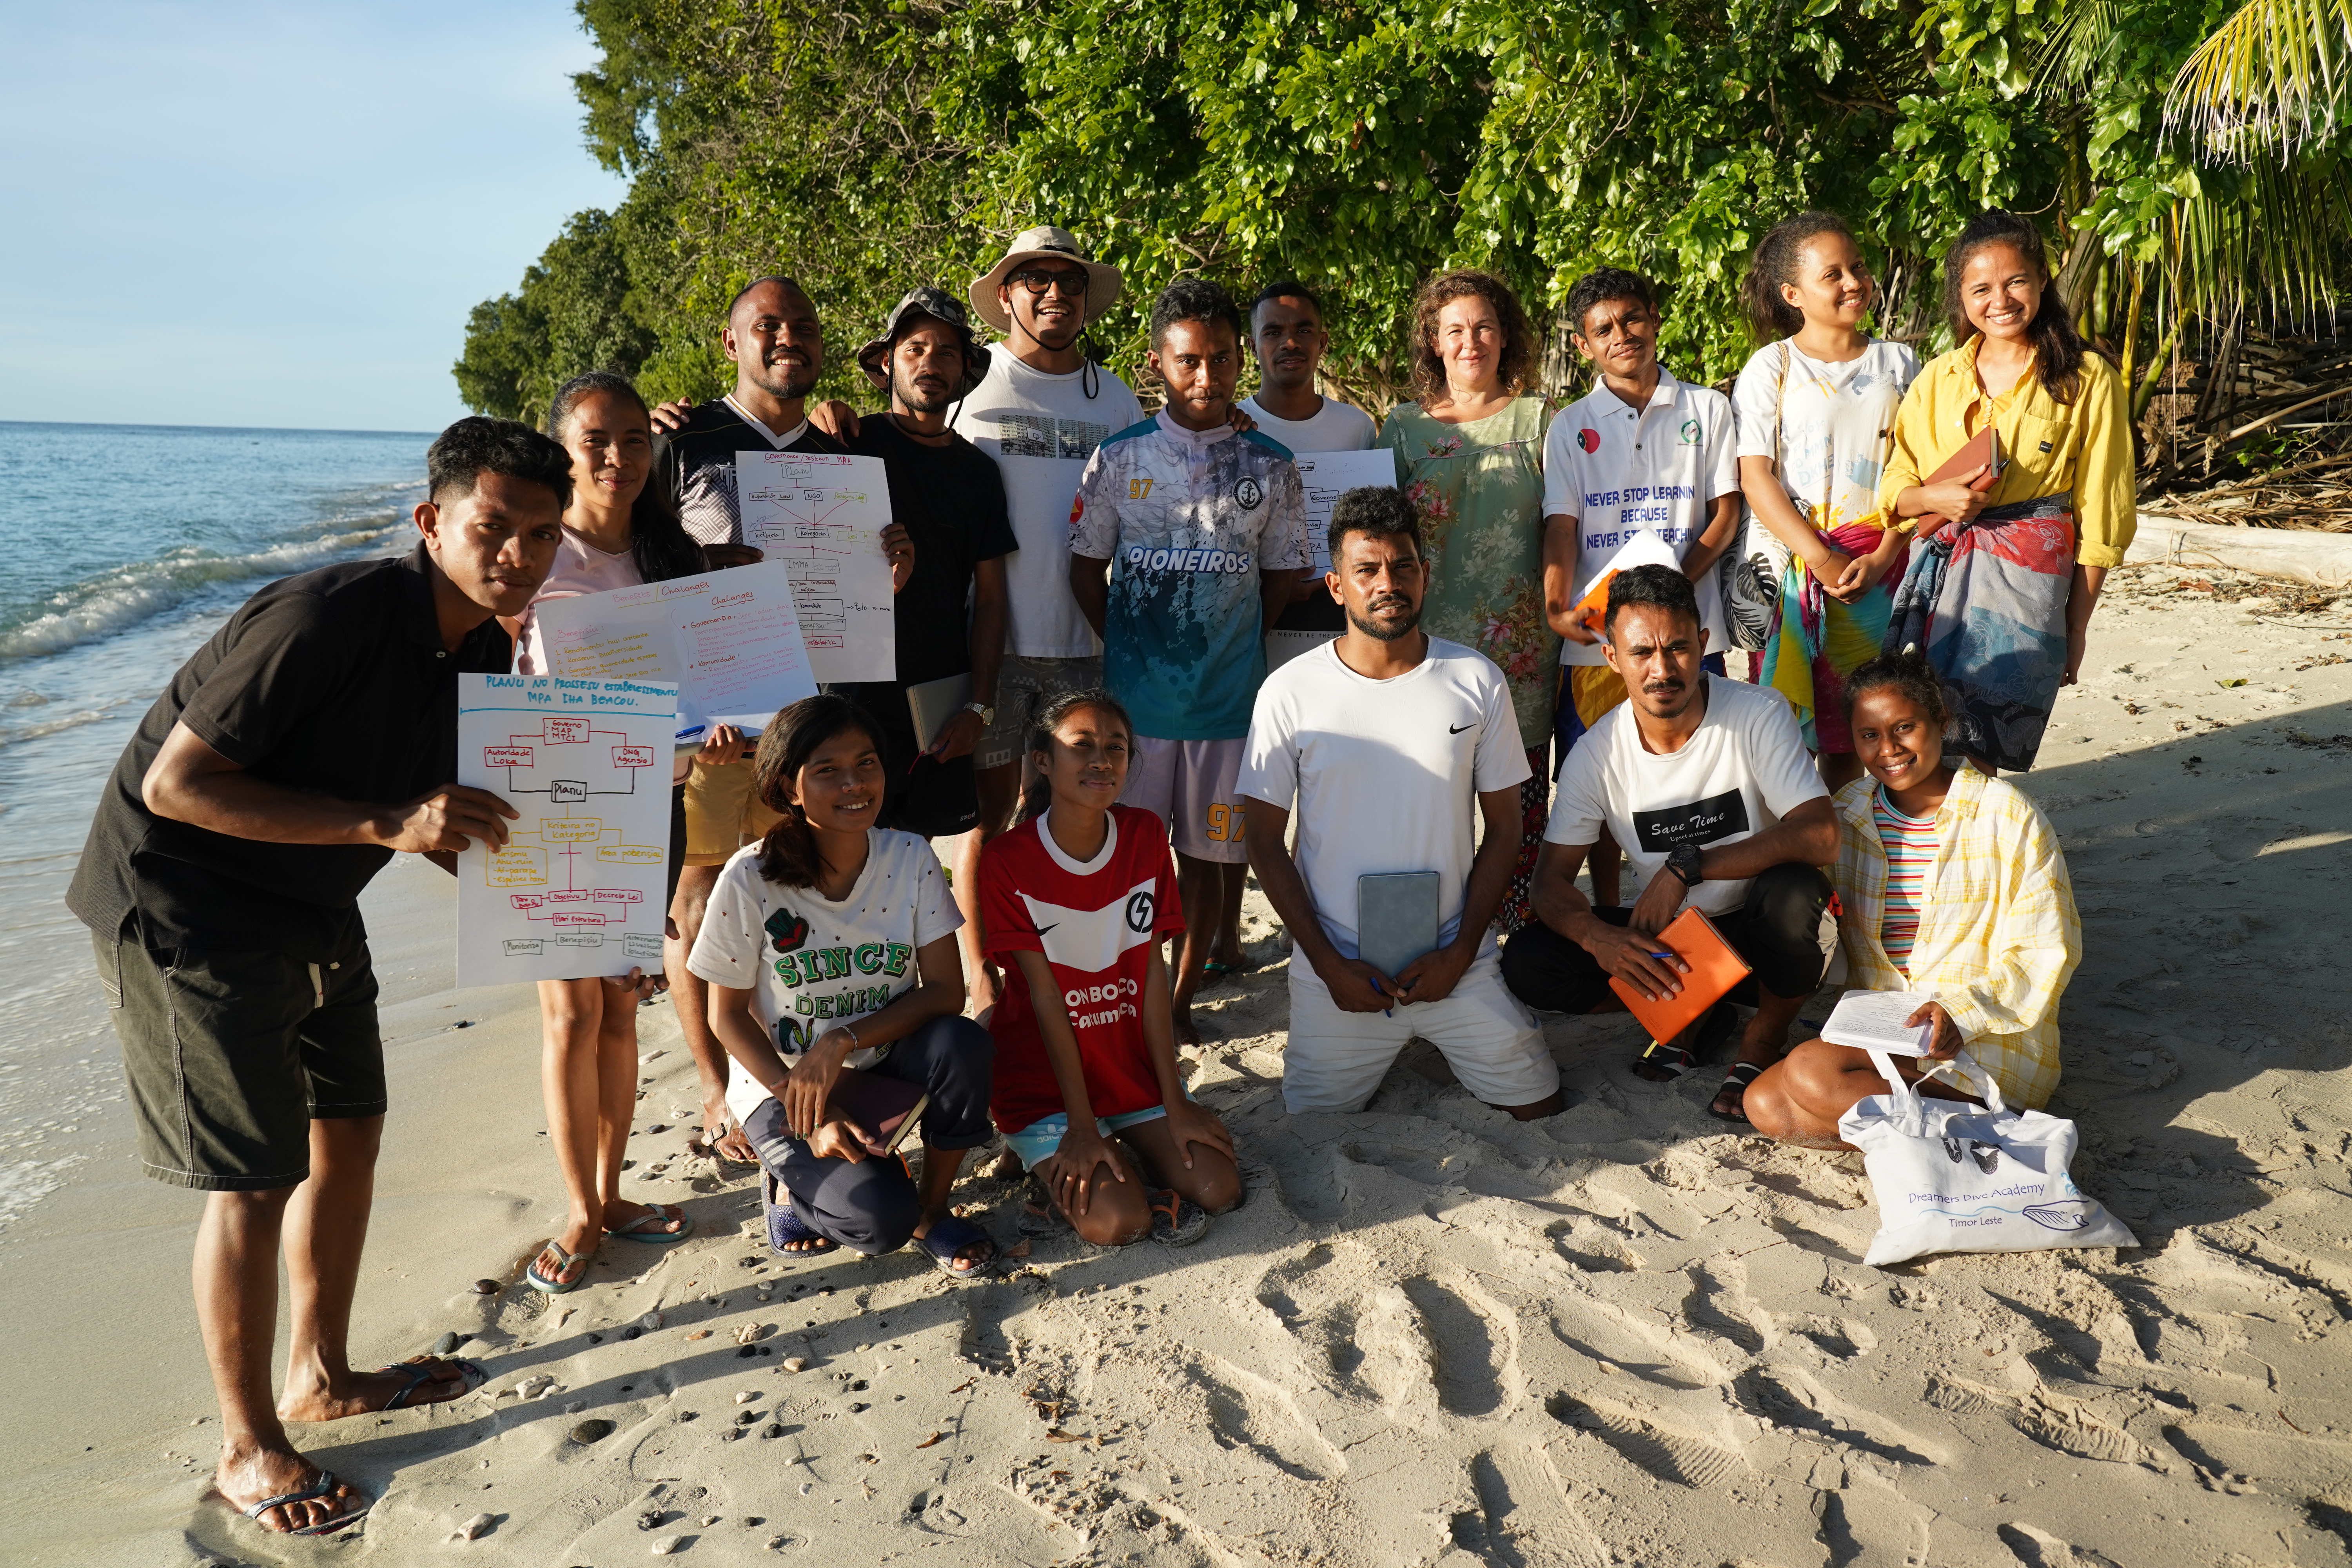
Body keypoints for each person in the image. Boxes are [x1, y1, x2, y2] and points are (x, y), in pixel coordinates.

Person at [63, 417, 570, 1536]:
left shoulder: (483, 644)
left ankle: (322, 1375)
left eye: (542, 536)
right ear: (431, 521)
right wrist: (386, 821)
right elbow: (180, 787)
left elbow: (450, 824)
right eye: (495, 528)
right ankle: (247, 1447)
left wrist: (573, 923)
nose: (519, 556)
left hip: (313, 899)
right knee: (252, 1178)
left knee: (351, 1131)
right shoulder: (324, 618)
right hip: (185, 907)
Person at [650, 275, 914, 1145]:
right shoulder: (682, 443)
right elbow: (638, 566)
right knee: (699, 900)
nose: (787, 338)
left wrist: (892, 564)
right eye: (768, 326)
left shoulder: (847, 451)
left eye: (803, 325)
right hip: (718, 715)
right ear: (732, 343)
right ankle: (718, 1086)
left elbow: (870, 569)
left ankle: (794, 1068)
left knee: (793, 888)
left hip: (815, 711)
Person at [507, 372, 740, 1292]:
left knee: (615, 1011)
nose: (617, 456)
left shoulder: (666, 552)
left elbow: (701, 686)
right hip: (556, 804)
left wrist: (717, 733)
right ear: (561, 448)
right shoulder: (531, 555)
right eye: (597, 439)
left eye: (634, 439)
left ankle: (611, 1193)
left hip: (651, 802)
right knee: (570, 1015)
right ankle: (578, 1208)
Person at [1240, 487, 1561, 1118]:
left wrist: (1463, 952)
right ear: (1337, 586)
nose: (1388, 583)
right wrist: (1329, 965)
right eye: (1367, 570)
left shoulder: (1475, 679)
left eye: (1404, 566)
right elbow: (1261, 842)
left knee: (1539, 1107)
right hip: (1337, 975)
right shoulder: (1290, 692)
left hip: (1455, 962)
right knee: (1312, 1125)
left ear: (1425, 574)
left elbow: (1506, 829)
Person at [1499, 565, 1838, 1123]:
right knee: (1531, 962)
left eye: (1678, 649)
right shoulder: (1597, 752)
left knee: (1795, 890)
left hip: (1763, 940)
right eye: (1642, 653)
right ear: (1612, 658)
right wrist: (1598, 938)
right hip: (1676, 949)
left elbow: (1821, 833)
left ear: (1703, 645)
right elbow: (1550, 883)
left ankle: (1762, 1038)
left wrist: (1688, 865)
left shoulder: (1757, 712)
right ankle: (1692, 1014)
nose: (1662, 670)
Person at [1067, 277, 1311, 1046]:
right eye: (1187, 362)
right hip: (1137, 712)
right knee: (1136, 865)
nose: (1205, 378)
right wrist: (1132, 648)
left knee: (1206, 863)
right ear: (1157, 364)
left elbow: (1282, 578)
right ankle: (1132, 991)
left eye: (1220, 359)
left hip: (1227, 707)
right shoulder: (1116, 458)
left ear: (1240, 359)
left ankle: (1178, 1000)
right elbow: (1084, 569)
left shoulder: (1271, 464)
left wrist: (1228, 642)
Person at [688, 695, 999, 1276]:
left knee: (964, 1042)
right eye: (827, 770)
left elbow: (943, 993)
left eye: (868, 764)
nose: (855, 784)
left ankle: (932, 1210)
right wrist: (807, 1103)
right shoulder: (749, 877)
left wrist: (840, 1042)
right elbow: (724, 1016)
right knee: (879, 1224)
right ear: (788, 786)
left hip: (881, 1062)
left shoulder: (909, 856)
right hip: (782, 1084)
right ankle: (786, 1184)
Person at [1742, 652, 2081, 1143]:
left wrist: (1961, 1015)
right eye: (1870, 735)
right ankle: (1943, 1138)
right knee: (1766, 1104)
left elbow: (2048, 948)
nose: (1889, 750)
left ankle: (1994, 1126)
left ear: (1941, 722)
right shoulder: (1849, 815)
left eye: (1905, 728)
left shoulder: (2006, 815)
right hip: (1884, 1029)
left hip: (1983, 1034)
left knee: (1812, 1072)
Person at [979, 690, 1243, 1244]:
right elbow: (1047, 1000)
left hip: (1130, 1071)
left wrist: (1175, 1102)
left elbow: (1151, 978)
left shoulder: (1145, 834)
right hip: (1045, 1084)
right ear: (1044, 761)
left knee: (1220, 1189)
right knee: (1118, 1223)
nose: (1101, 760)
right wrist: (1080, 1127)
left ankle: (1123, 1148)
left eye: (1116, 747)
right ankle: (1053, 1158)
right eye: (1082, 746)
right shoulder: (1008, 859)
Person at [1878, 209, 2135, 773]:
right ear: (1961, 297)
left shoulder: (2088, 379)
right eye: (1981, 289)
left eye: (2016, 281)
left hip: (2029, 585)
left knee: (1980, 743)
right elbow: (1896, 487)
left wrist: (2076, 627)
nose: (2001, 300)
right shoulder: (1936, 378)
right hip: (1937, 574)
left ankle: (1979, 852)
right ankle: (1936, 852)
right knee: (1923, 729)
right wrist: (1935, 499)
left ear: (2043, 279)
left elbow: (2103, 517)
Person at [1200, 277, 1383, 982]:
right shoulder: (1227, 422)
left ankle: (1333, 922)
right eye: (1273, 332)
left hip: (1332, 627)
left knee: (1332, 782)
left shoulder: (1355, 428)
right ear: (1252, 347)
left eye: (1302, 330)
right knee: (1245, 788)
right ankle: (1223, 938)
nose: (1289, 343)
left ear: (1323, 342)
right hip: (1253, 628)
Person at [836, 287, 1018, 998]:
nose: (930, 362)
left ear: (966, 371)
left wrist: (980, 705)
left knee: (916, 859)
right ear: (886, 363)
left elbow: (993, 599)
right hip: (849, 692)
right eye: (915, 348)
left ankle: (937, 1001)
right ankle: (859, 1009)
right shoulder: (848, 443)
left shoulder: (978, 473)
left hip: (936, 695)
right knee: (846, 854)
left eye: (946, 351)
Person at [1543, 267, 1740, 906]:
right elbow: (1562, 529)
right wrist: (1556, 605)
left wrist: (1672, 589)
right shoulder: (1570, 427)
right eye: (1604, 328)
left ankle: (1698, 907)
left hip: (1688, 630)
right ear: (1583, 344)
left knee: (1697, 773)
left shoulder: (1707, 409)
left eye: (1632, 319)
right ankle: (1609, 905)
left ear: (1655, 318)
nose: (1622, 335)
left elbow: (1727, 512)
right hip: (1598, 639)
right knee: (1597, 778)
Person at [1381, 269, 1557, 929]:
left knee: (1518, 803)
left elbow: (1564, 529)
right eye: (1454, 329)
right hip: (1430, 653)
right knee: (1436, 801)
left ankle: (1514, 937)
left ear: (1505, 335)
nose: (1470, 341)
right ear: (1434, 341)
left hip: (1524, 649)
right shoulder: (1400, 430)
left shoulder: (1540, 420)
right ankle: (1445, 930)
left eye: (1484, 326)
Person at [1734, 214, 1922, 790]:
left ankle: (1890, 853)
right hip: (1799, 567)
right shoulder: (1774, 367)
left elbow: (1917, 468)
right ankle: (1828, 859)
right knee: (1809, 735)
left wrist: (1889, 551)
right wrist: (1821, 559)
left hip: (1886, 568)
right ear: (1793, 295)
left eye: (1858, 268)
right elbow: (1756, 477)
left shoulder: (1900, 364)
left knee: (1888, 720)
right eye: (1833, 274)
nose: (1853, 283)